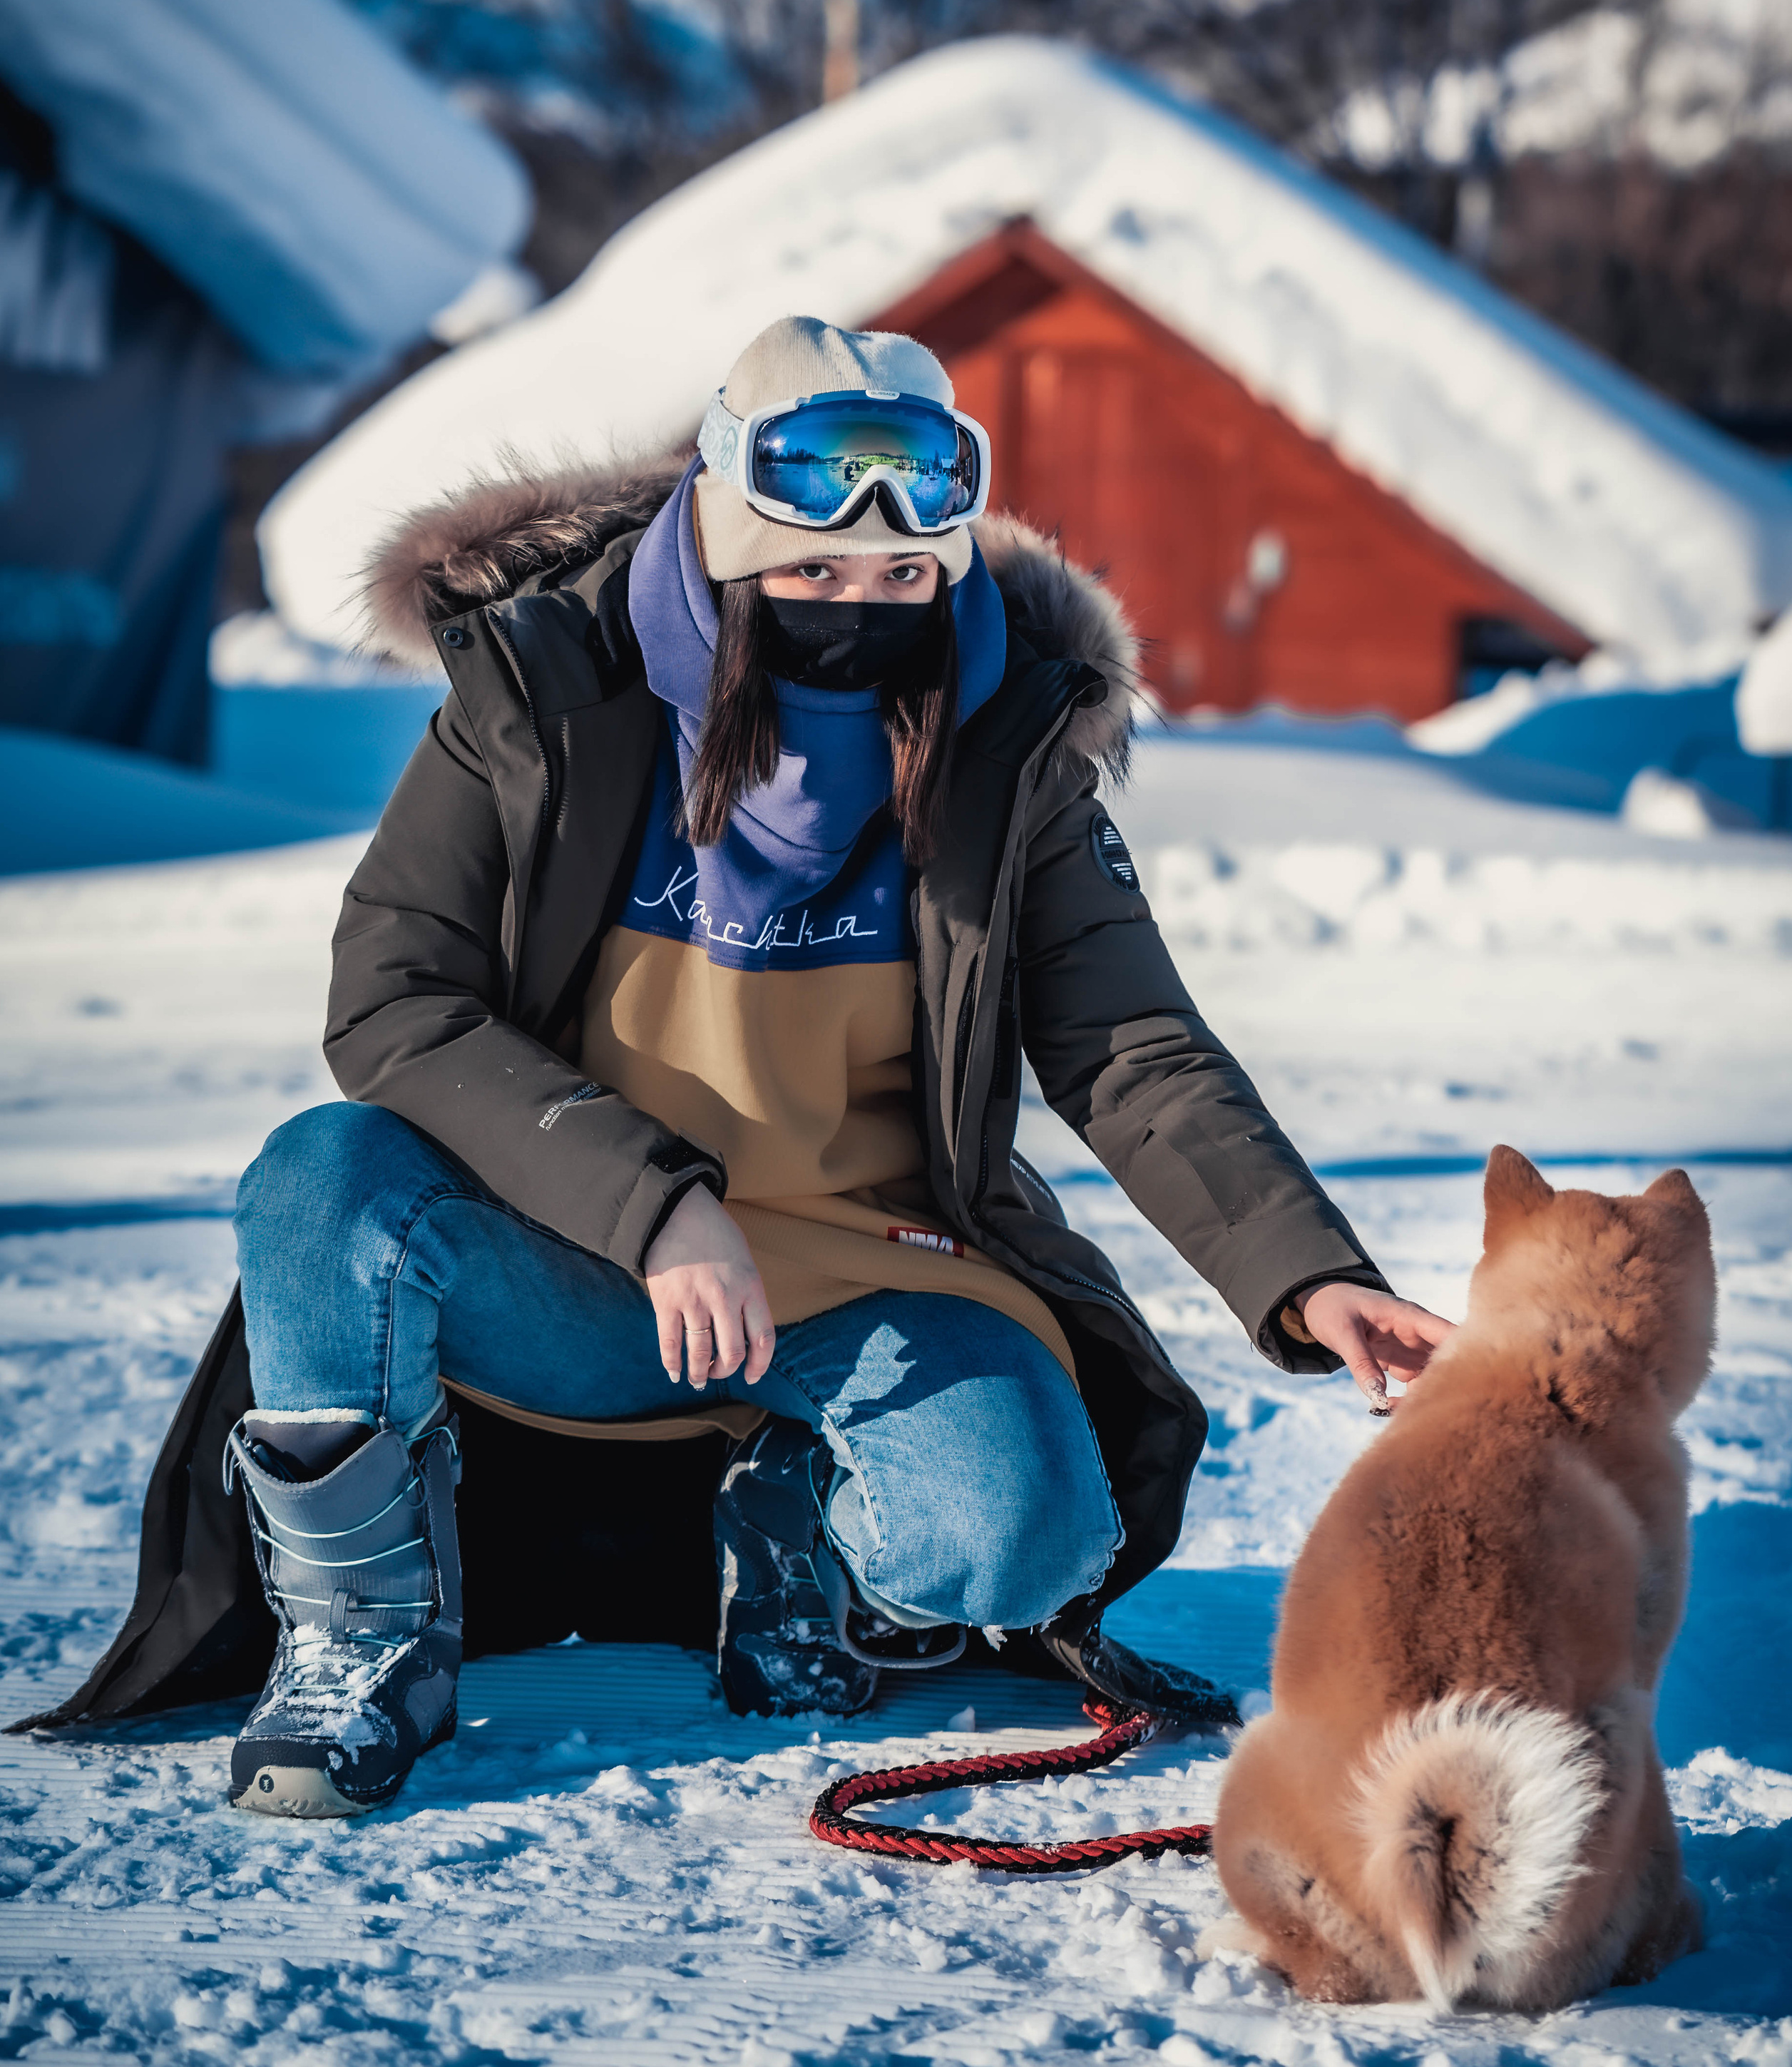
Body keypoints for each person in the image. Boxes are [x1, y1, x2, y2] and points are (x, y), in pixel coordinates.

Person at [201, 318, 1450, 1818]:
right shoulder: (543, 699)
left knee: (1029, 1542)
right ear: (727, 551)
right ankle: (359, 1639)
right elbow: (395, 1000)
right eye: (811, 572)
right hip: (581, 1254)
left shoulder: (1009, 744)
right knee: (323, 1180)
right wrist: (656, 1205)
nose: (857, 609)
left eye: (900, 578)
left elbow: (1129, 1045)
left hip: (874, 1271)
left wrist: (1309, 1272)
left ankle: (798, 1522)